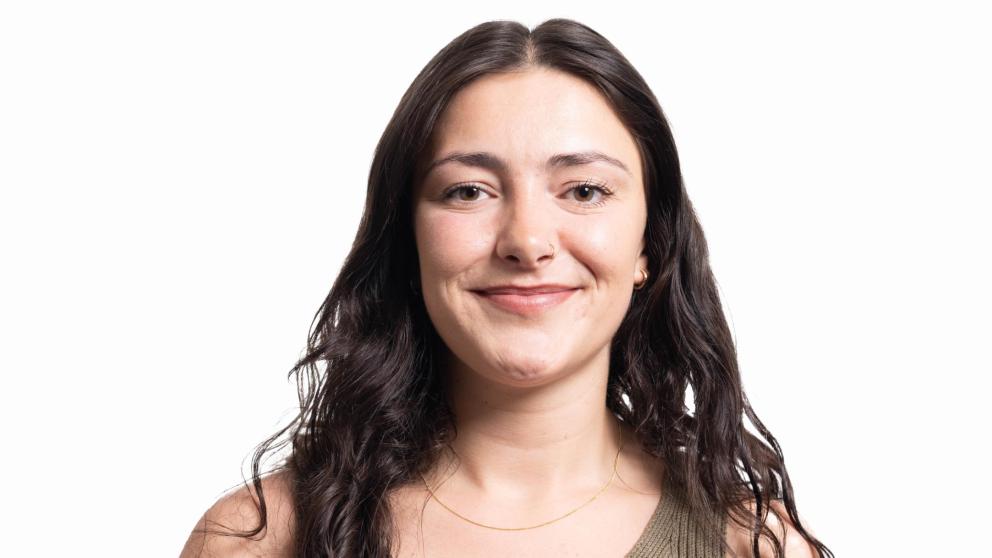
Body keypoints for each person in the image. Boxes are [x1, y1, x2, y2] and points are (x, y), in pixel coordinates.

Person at [180, 18, 833, 558]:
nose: (527, 240)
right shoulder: (259, 541)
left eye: (584, 190)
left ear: (649, 245)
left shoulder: (752, 546)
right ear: (408, 238)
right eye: (469, 191)